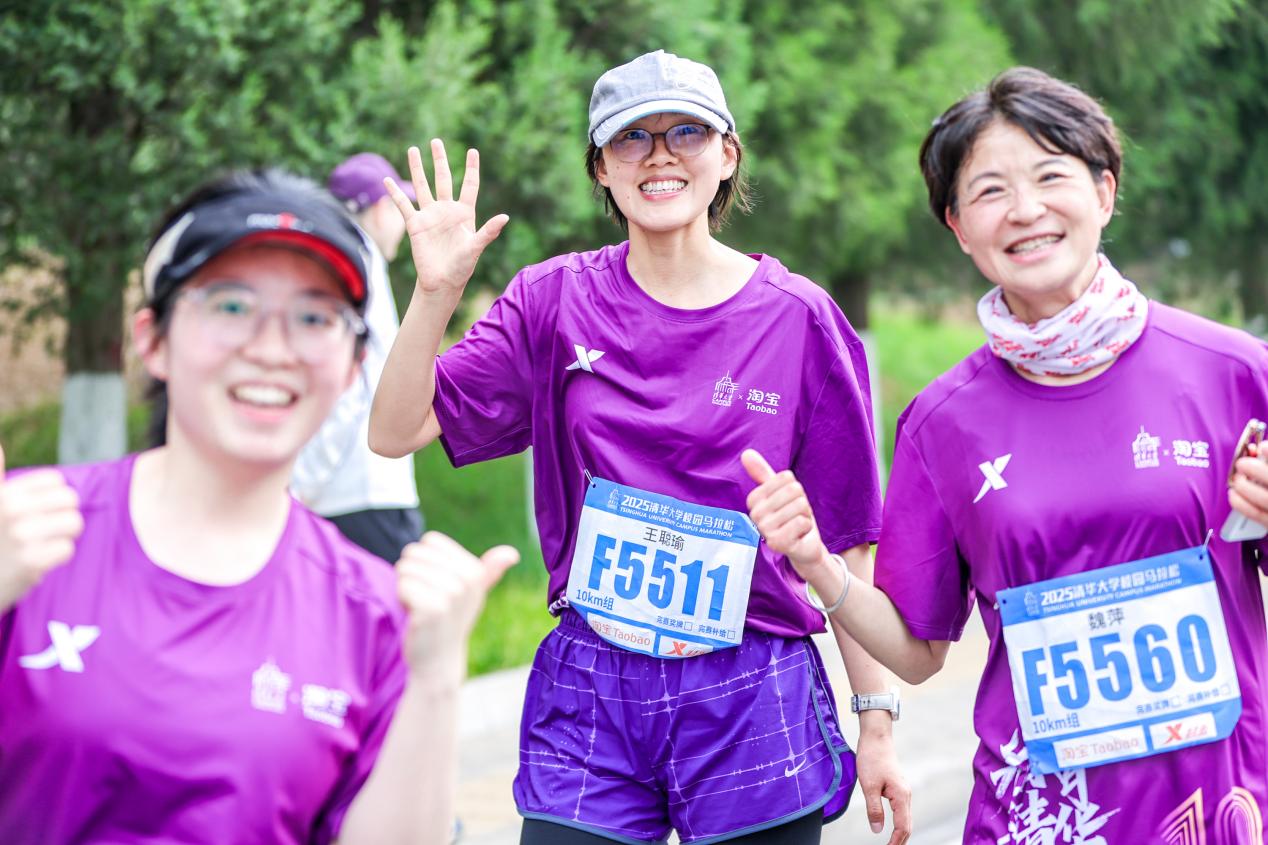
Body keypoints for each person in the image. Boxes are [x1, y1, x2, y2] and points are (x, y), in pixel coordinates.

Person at [369, 50, 911, 845]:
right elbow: (394, 430)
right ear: (601, 166)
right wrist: (434, 294)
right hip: (592, 684)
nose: (659, 155)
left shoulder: (800, 319)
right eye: (631, 137)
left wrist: (876, 720)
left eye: (686, 132)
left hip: (752, 687)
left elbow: (846, 544)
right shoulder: (552, 300)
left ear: (727, 155)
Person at [744, 67, 1268, 843]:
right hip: (1038, 820)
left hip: (1219, 806)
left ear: (1104, 192)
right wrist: (818, 564)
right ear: (958, 226)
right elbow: (919, 650)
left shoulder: (1234, 372)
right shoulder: (942, 424)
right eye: (990, 191)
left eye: (1051, 176)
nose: (1025, 210)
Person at [0, 169, 517, 845]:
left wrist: (438, 680)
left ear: (353, 365)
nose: (272, 349)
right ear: (152, 340)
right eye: (232, 306)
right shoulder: (24, 536)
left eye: (313, 317)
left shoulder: (371, 613)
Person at [291, 152, 424, 564]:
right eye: (400, 208)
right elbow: (352, 381)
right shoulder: (357, 257)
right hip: (360, 493)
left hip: (351, 491)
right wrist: (303, 484)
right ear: (381, 209)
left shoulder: (343, 255)